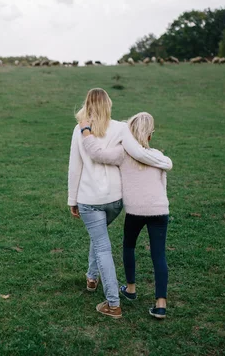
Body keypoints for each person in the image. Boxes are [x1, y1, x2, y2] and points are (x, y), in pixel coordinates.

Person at [68, 89, 172, 318]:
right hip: (115, 200)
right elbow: (140, 152)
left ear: (86, 104)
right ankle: (92, 277)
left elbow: (75, 166)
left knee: (102, 244)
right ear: (109, 104)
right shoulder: (120, 128)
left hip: (89, 198)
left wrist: (72, 199)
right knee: (100, 236)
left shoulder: (80, 129)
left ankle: (113, 303)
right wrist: (164, 161)